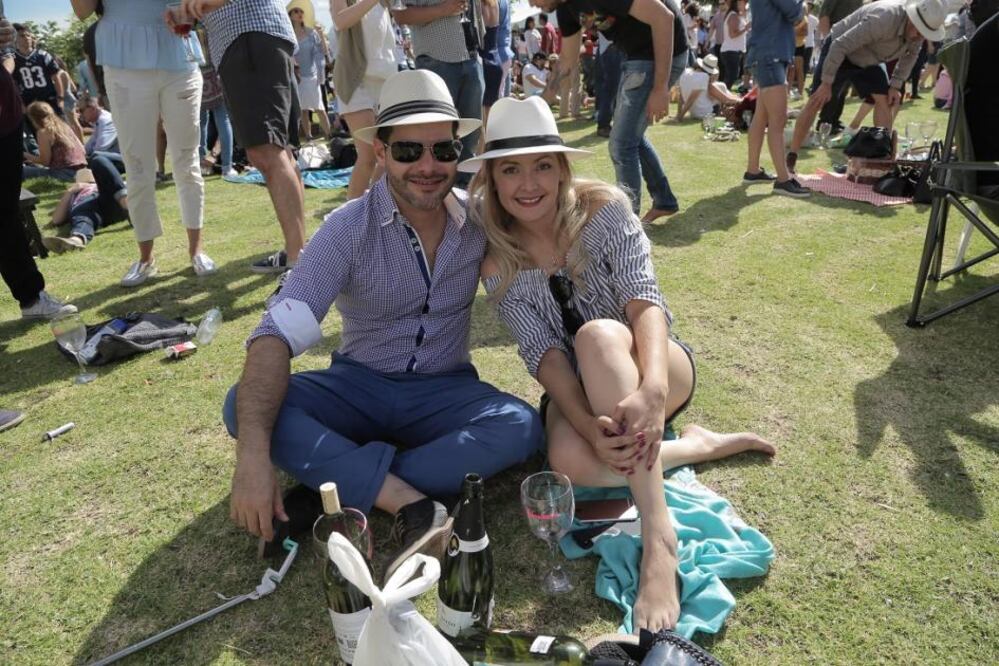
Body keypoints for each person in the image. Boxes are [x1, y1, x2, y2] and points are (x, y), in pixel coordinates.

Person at [463, 96, 774, 632]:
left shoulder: (605, 210)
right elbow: (544, 355)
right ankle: (693, 447)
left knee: (600, 336)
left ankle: (659, 536)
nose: (528, 183)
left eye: (542, 165)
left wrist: (653, 389)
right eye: (510, 169)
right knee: (568, 469)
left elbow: (645, 301)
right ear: (492, 178)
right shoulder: (498, 258)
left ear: (562, 168)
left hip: (656, 366)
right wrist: (586, 425)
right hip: (582, 391)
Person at [221, 70, 542, 577]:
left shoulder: (481, 221)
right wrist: (251, 458)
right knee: (246, 406)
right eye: (410, 151)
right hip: (358, 385)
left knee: (520, 427)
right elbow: (276, 334)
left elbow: (546, 206)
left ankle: (330, 487)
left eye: (444, 150)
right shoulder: (346, 227)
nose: (429, 166)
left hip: (444, 390)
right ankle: (412, 505)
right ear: (381, 154)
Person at [71, 0, 216, 286]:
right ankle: (146, 259)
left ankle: (196, 250)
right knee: (137, 163)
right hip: (122, 58)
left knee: (187, 159)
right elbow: (82, 11)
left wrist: (190, 9)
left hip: (179, 55)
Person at [181, 0, 306, 278]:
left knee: (267, 152)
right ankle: (300, 251)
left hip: (248, 37)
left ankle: (299, 262)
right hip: (250, 38)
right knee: (279, 151)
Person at [535, 0, 688, 223]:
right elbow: (567, 60)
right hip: (636, 56)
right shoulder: (564, 9)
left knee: (622, 144)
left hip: (660, 55)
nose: (531, 4)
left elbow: (664, 18)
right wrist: (540, 103)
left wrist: (660, 87)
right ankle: (664, 200)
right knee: (630, 138)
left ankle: (626, 228)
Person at [786, 0, 946, 174]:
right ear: (910, 17)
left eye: (925, 33)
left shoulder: (917, 33)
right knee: (817, 100)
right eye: (919, 30)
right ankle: (791, 158)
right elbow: (840, 45)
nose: (919, 37)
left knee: (884, 99)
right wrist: (826, 83)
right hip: (841, 50)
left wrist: (895, 85)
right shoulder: (883, 18)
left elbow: (911, 56)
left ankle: (881, 160)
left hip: (871, 59)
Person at [0, 20, 77, 320]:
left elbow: (6, 55)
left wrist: (5, 42)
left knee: (6, 214)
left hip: (6, 119)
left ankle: (31, 298)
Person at [394, 0, 486, 179]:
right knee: (436, 133)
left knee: (471, 132)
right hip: (436, 60)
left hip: (471, 56)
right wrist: (442, 9)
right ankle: (439, 187)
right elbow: (400, 15)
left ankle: (465, 190)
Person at [330, 0, 398, 200]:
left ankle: (374, 207)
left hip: (386, 79)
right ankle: (350, 220)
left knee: (388, 156)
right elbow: (340, 20)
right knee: (368, 156)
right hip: (355, 80)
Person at [743, 0, 810, 197]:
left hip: (766, 53)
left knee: (762, 116)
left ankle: (753, 170)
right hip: (770, 54)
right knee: (778, 119)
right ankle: (783, 179)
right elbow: (796, 12)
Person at [42, 154, 129, 253]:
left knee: (98, 160)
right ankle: (76, 240)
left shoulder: (109, 183)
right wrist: (70, 191)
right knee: (82, 213)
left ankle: (129, 210)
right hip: (90, 211)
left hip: (111, 201)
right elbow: (56, 220)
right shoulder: (74, 195)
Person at [814, 0, 863, 133]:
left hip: (852, 44)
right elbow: (824, 16)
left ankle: (834, 120)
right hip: (836, 42)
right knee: (832, 86)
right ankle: (825, 121)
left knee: (844, 86)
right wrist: (827, 41)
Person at [288, 1, 332, 142]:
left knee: (320, 108)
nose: (300, 14)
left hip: (313, 76)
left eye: (301, 11)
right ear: (290, 15)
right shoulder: (288, 35)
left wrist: (321, 35)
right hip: (297, 77)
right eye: (296, 11)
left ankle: (330, 135)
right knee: (303, 110)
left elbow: (323, 52)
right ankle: (308, 137)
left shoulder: (312, 32)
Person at [10, 24, 65, 120]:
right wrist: (21, 105)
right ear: (15, 39)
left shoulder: (43, 55)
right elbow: (13, 85)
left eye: (28, 35)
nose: (26, 38)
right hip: (29, 103)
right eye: (22, 36)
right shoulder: (13, 59)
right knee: (38, 133)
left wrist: (60, 98)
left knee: (61, 129)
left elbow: (56, 77)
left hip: (49, 99)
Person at [22, 101, 87, 182]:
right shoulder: (65, 126)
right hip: (82, 171)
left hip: (63, 174)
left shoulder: (43, 132)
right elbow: (83, 150)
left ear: (34, 118)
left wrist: (25, 155)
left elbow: (45, 161)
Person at [675, 53, 741, 121]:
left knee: (720, 86)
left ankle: (737, 99)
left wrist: (679, 113)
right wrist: (681, 116)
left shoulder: (685, 72)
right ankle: (739, 101)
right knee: (722, 87)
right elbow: (691, 98)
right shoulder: (703, 77)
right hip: (705, 113)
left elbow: (681, 96)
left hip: (694, 112)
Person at [719, 0, 748, 90]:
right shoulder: (733, 15)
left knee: (731, 76)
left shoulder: (734, 15)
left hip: (731, 51)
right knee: (731, 76)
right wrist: (746, 28)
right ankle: (722, 98)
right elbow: (732, 34)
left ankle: (722, 98)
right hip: (731, 51)